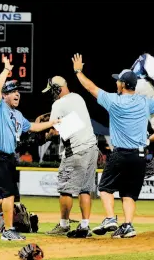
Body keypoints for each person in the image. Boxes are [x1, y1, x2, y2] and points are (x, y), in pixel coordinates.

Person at [71, 53, 154, 238]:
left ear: (122, 85)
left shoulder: (114, 100)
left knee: (105, 188)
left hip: (121, 154)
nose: (116, 83)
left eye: (118, 81)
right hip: (140, 156)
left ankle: (111, 218)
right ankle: (127, 225)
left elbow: (91, 87)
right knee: (129, 194)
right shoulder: (145, 103)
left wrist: (78, 71)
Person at [0, 56, 60, 241]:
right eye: (12, 91)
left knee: (8, 195)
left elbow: (34, 127)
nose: (17, 94)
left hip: (7, 157)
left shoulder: (18, 114)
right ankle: (8, 231)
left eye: (18, 92)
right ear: (4, 95)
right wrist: (6, 69)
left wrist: (53, 122)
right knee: (8, 195)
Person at [41, 75, 99, 238]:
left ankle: (64, 225)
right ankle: (85, 225)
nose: (51, 94)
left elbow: (55, 130)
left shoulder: (58, 104)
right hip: (91, 147)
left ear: (57, 89)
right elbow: (73, 121)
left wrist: (45, 136)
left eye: (52, 90)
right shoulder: (78, 97)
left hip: (76, 151)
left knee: (65, 189)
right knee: (85, 189)